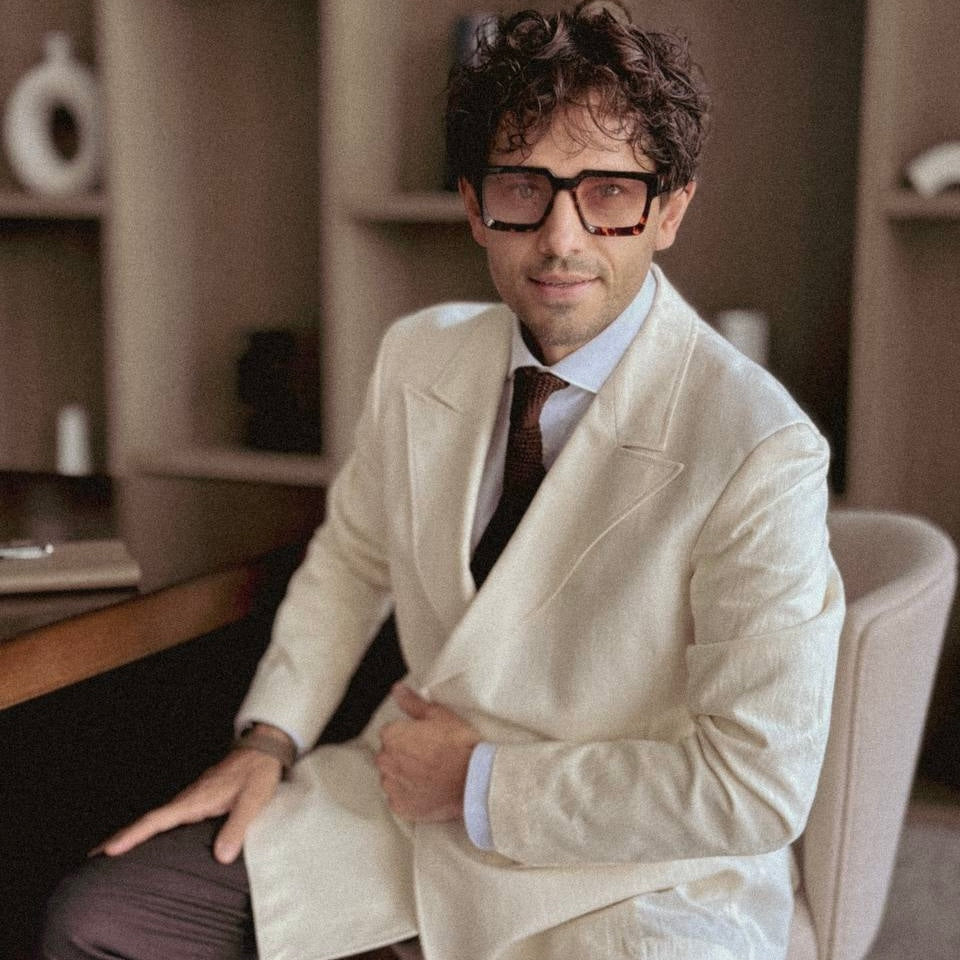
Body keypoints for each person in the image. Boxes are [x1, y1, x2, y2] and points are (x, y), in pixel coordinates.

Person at [41, 3, 844, 959]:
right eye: (524, 188)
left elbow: (753, 786)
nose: (561, 238)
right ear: (474, 203)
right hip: (397, 813)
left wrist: (480, 785)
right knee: (94, 923)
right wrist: (270, 738)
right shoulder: (417, 355)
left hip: (624, 872)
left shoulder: (759, 445)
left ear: (668, 210)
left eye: (608, 194)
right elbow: (350, 562)